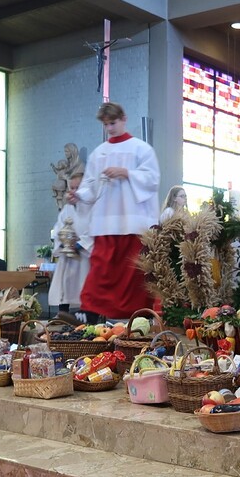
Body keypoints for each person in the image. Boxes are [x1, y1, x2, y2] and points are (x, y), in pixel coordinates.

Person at [68, 102, 159, 322]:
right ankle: (89, 316)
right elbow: (91, 185)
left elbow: (152, 179)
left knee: (133, 274)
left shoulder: (141, 149)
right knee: (102, 270)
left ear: (124, 119)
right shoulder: (99, 153)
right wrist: (78, 195)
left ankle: (139, 321)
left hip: (134, 222)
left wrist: (127, 173)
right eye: (106, 124)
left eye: (113, 123)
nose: (110, 128)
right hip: (106, 222)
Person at [50, 171, 92, 321]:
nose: (73, 192)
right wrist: (63, 243)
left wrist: (79, 245)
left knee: (84, 284)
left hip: (84, 256)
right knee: (64, 283)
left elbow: (94, 231)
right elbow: (58, 228)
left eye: (77, 188)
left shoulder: (92, 208)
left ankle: (85, 315)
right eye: (71, 188)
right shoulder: (67, 209)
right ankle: (62, 313)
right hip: (67, 256)